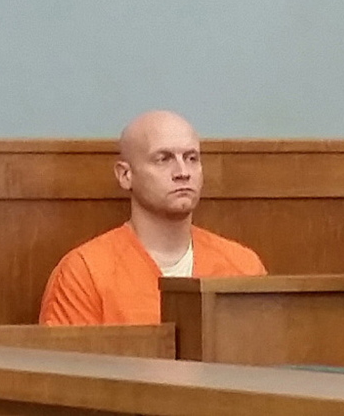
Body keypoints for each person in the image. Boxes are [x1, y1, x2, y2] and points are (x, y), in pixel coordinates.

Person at [39, 110, 265, 325]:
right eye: (163, 159)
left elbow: (264, 358)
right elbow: (70, 363)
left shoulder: (243, 266)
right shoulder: (85, 273)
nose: (182, 172)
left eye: (192, 158)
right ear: (125, 175)